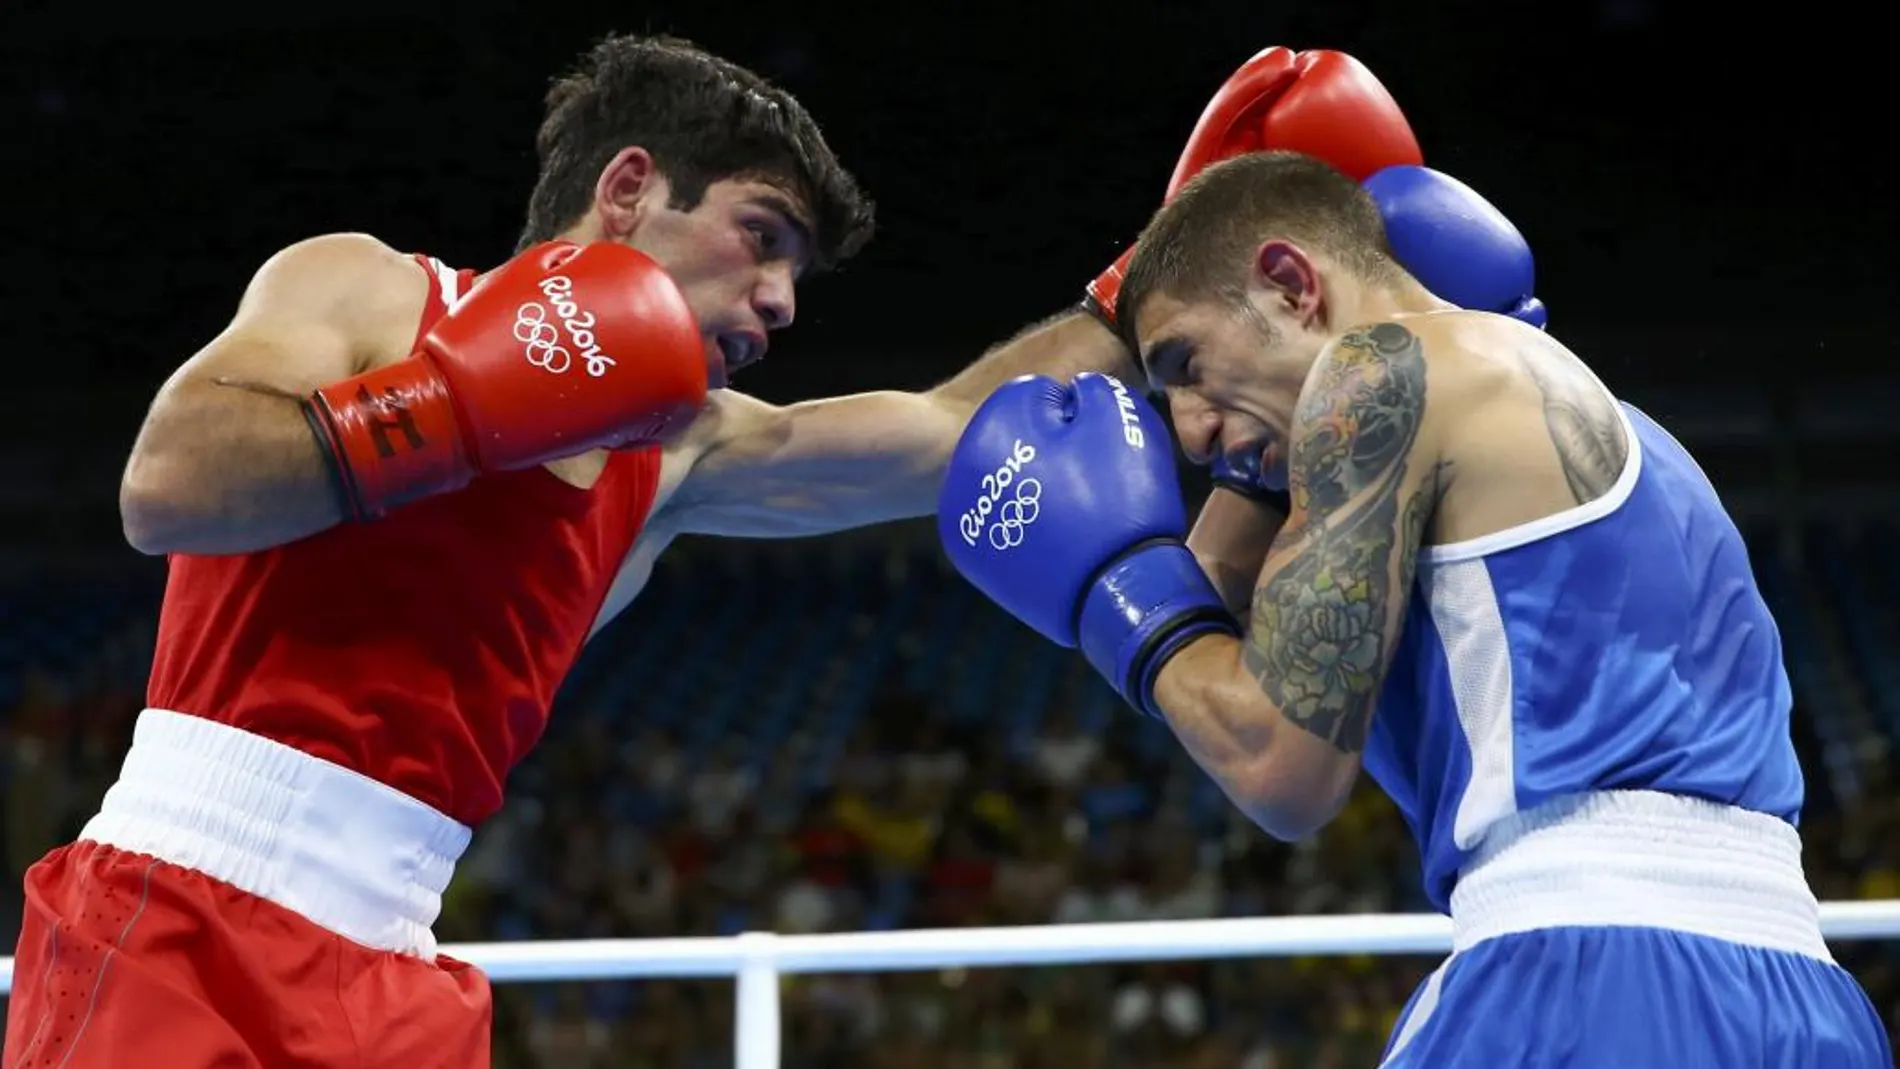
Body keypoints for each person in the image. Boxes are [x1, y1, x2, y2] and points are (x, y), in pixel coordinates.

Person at [3, 31, 1526, 1068]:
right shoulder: (366, 291)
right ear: (627, 192)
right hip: (180, 911)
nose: (784, 301)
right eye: (761, 237)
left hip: (392, 962)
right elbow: (170, 483)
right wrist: (464, 407)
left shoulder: (679, 458)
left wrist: (1166, 257)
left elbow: (951, 430)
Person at [935, 149, 1892, 1066]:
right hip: (1803, 994)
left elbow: (1277, 765)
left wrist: (1115, 590)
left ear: (1291, 283)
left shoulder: (1377, 373)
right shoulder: (1601, 417)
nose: (1188, 433)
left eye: (1185, 363)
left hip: (1585, 973)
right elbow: (1243, 629)